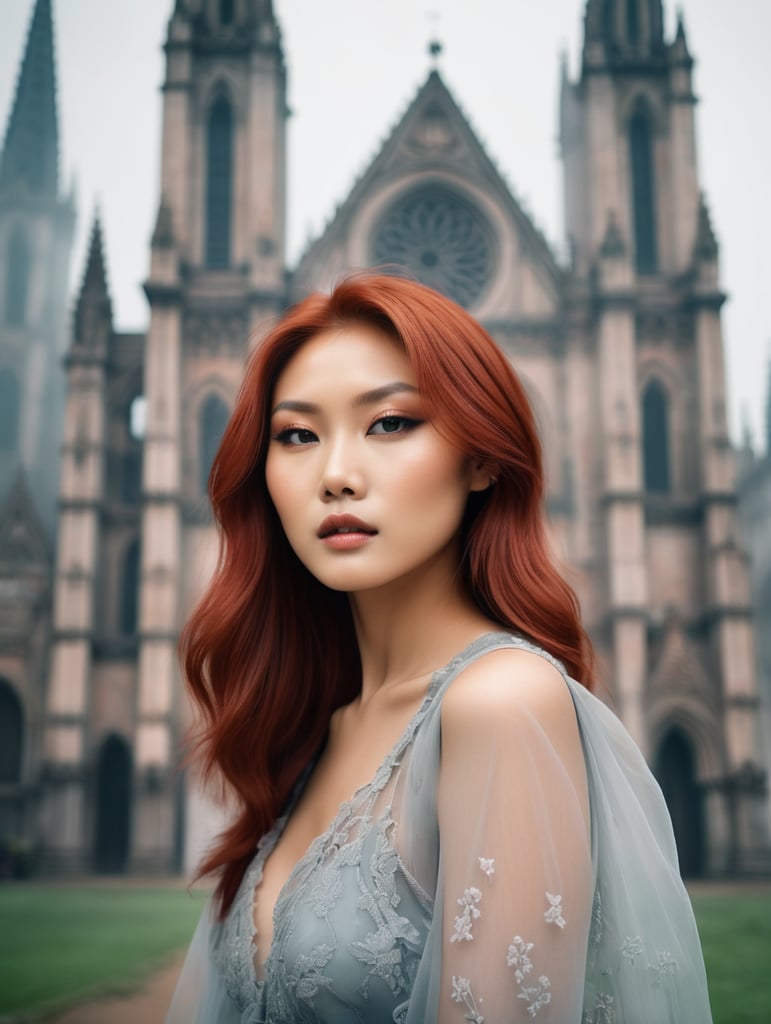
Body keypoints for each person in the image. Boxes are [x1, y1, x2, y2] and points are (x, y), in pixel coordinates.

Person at [166, 274, 713, 1023]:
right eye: (297, 435)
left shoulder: (501, 704)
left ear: (483, 459)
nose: (335, 475)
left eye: (390, 423)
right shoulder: (318, 724)